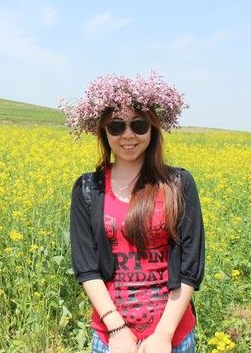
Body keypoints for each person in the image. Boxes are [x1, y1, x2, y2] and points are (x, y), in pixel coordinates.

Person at [62, 72, 204, 353]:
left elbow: (190, 267)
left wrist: (163, 335)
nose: (128, 135)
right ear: (103, 131)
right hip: (112, 340)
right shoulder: (87, 189)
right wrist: (117, 329)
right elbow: (87, 267)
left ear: (152, 129)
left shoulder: (178, 184)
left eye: (139, 125)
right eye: (116, 127)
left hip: (172, 337)